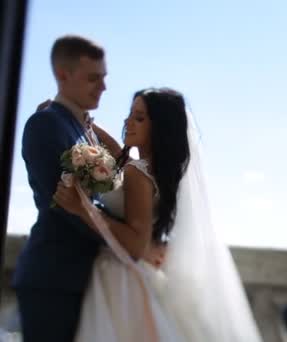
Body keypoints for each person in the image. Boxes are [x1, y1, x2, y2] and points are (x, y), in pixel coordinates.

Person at [53, 88, 262, 341]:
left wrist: (82, 208)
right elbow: (123, 158)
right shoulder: (155, 171)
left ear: (159, 127)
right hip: (140, 275)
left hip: (123, 280)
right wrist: (91, 127)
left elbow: (136, 244)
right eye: (130, 114)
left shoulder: (137, 173)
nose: (128, 121)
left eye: (139, 118)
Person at [12, 34, 107, 342]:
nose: (103, 87)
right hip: (53, 281)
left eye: (104, 77)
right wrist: (133, 239)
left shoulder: (83, 128)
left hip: (83, 278)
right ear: (63, 75)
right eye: (94, 78)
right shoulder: (45, 124)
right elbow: (67, 207)